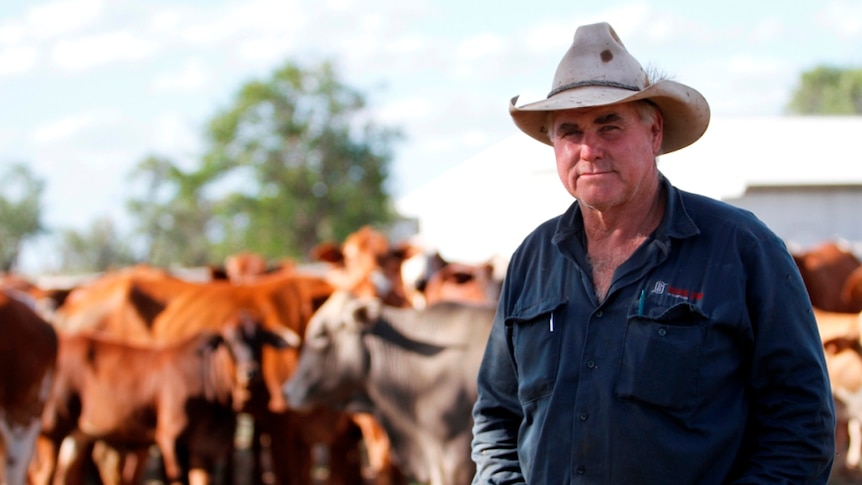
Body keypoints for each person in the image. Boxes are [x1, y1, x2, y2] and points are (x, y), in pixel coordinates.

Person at [470, 21, 835, 484]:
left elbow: (801, 424)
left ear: (654, 132)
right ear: (555, 146)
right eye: (570, 131)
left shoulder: (740, 249)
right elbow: (496, 418)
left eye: (610, 125)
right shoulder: (533, 259)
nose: (589, 149)